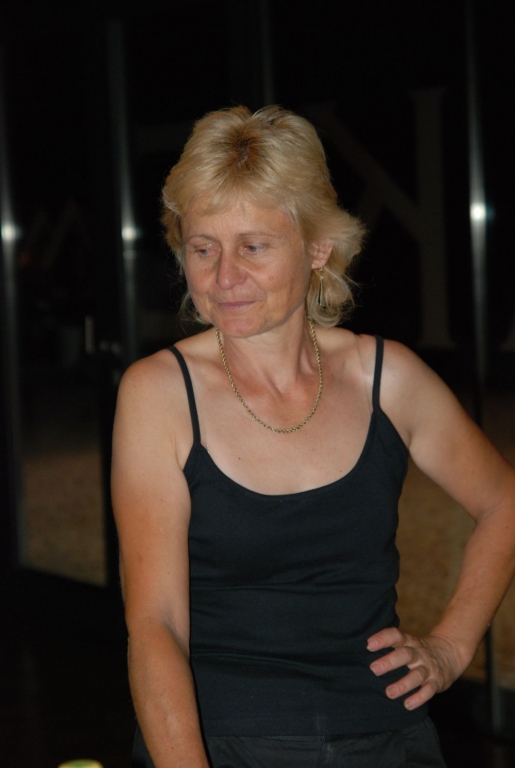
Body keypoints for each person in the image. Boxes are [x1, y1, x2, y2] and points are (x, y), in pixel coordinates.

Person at [111, 105, 515, 768]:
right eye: (203, 248)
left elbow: (503, 501)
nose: (223, 277)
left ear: (318, 246)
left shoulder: (386, 377)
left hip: (387, 739)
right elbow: (155, 624)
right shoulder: (158, 394)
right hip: (222, 742)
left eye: (253, 246)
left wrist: (450, 646)